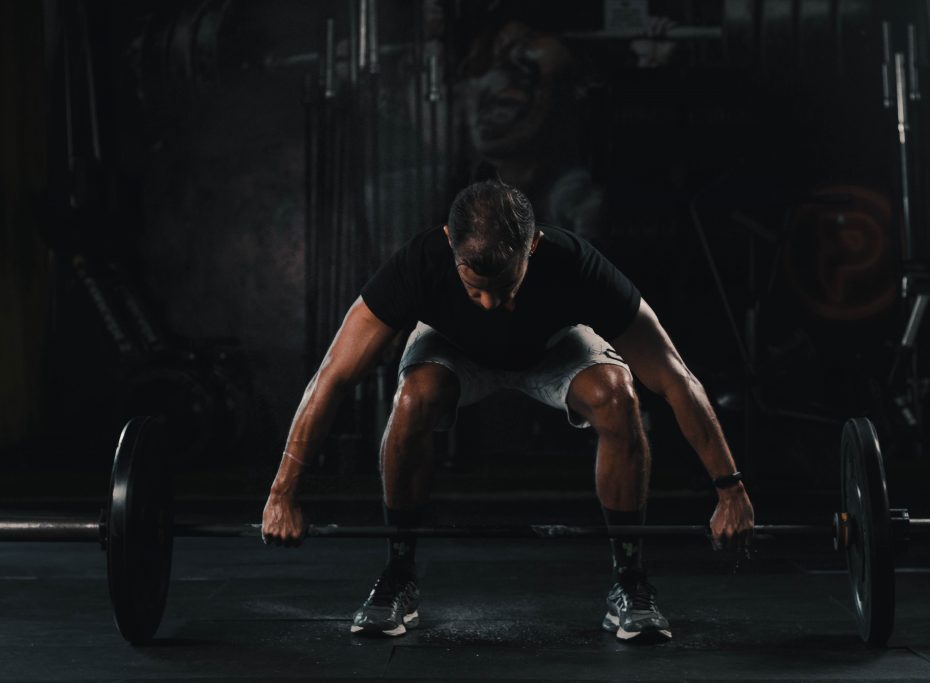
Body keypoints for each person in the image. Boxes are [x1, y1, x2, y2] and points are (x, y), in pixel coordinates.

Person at [262, 180, 755, 643]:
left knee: (618, 396)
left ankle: (630, 580)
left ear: (533, 246)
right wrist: (283, 493)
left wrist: (729, 489)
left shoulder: (576, 265)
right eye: (475, 288)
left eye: (506, 287)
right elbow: (333, 377)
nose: (490, 305)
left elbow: (673, 377)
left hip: (551, 350)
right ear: (449, 244)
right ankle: (397, 575)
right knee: (413, 398)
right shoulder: (418, 266)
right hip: (454, 352)